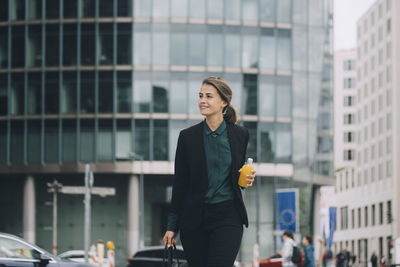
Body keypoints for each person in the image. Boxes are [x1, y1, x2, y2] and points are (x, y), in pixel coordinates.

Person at [162, 77, 256, 267]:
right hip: (195, 218)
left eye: (209, 96)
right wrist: (172, 226)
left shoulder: (240, 134)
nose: (202, 101)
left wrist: (245, 180)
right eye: (200, 96)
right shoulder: (187, 137)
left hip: (228, 215)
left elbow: (235, 176)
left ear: (224, 102)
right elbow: (180, 184)